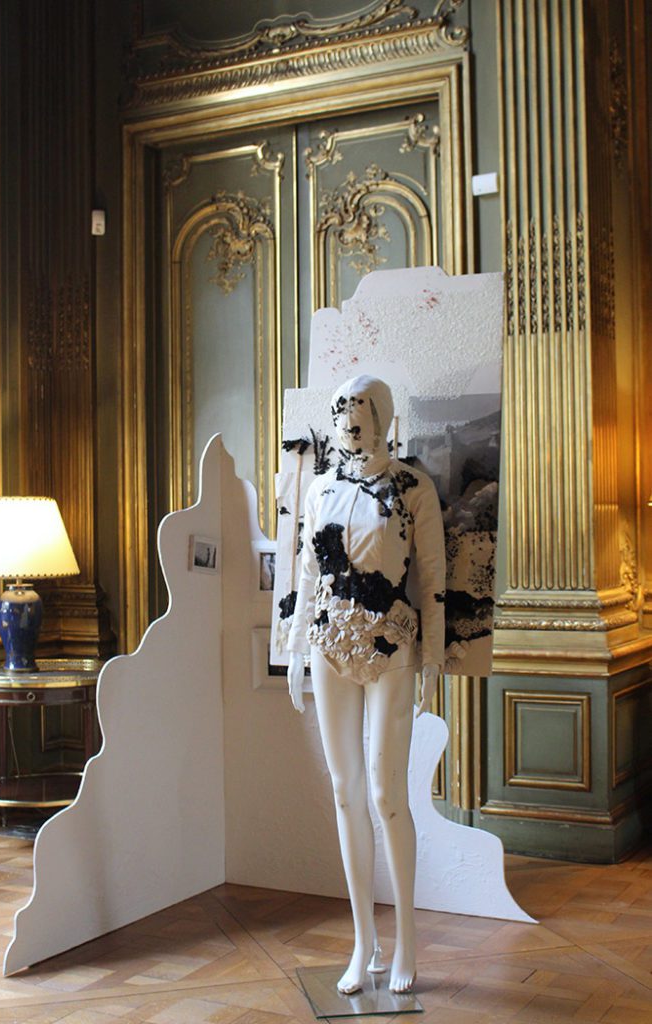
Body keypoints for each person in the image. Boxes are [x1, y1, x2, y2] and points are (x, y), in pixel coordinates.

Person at [286, 375, 447, 995]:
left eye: (360, 415)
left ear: (382, 417)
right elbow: (306, 571)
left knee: (386, 793)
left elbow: (432, 577)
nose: (350, 427)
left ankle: (406, 938)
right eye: (341, 416)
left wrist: (433, 658)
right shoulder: (320, 488)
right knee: (344, 791)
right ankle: (364, 941)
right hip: (329, 647)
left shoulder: (413, 489)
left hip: (391, 645)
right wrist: (294, 650)